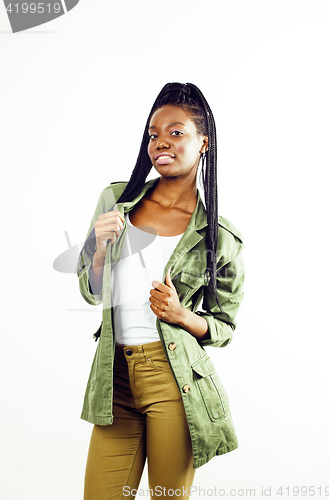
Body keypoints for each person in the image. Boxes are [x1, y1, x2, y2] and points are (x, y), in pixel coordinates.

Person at [77, 82, 245, 500]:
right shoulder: (116, 201)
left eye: (175, 132)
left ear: (203, 142)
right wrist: (99, 251)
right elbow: (90, 290)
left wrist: (182, 315)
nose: (161, 142)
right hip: (114, 378)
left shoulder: (218, 237)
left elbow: (223, 326)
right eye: (153, 134)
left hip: (175, 381)